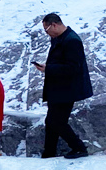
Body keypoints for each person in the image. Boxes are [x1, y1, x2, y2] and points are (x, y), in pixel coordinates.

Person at [33, 12, 92, 159]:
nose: (47, 33)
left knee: (56, 121)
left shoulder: (72, 41)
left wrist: (48, 68)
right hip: (58, 88)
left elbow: (73, 68)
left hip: (67, 89)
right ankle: (49, 153)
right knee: (52, 121)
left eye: (47, 30)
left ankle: (79, 148)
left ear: (54, 25)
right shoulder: (60, 38)